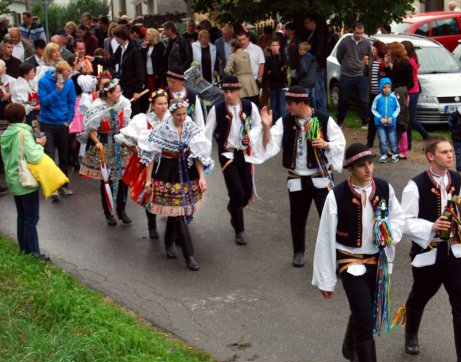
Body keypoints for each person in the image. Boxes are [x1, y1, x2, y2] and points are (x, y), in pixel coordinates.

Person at [312, 143, 404, 362]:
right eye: (362, 165)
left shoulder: (384, 188)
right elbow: (325, 238)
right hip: (350, 261)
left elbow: (398, 218)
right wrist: (326, 279)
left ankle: (348, 347)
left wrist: (390, 233)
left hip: (377, 260)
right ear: (350, 168)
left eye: (370, 163)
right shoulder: (337, 194)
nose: (368, 168)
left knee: (366, 308)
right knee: (364, 316)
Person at [400, 135, 461, 362]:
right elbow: (404, 222)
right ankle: (411, 334)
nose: (451, 155)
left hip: (455, 250)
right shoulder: (415, 185)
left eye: (451, 151)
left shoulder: (456, 179)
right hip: (428, 252)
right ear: (431, 156)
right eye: (445, 152)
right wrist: (430, 226)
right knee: (420, 295)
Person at [259, 85, 346, 267]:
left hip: (320, 177)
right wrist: (266, 126)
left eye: (290, 103)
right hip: (297, 178)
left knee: (329, 219)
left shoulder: (323, 119)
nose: (287, 107)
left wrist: (325, 145)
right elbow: (269, 144)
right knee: (297, 218)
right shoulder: (285, 121)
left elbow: (340, 143)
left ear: (301, 103)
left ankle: (335, 257)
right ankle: (298, 252)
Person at [140, 100, 212, 270]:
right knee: (178, 212)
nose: (181, 118)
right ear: (171, 114)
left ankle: (168, 242)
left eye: (184, 114)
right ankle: (189, 255)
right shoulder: (162, 129)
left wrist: (202, 177)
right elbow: (151, 155)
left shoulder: (190, 127)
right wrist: (148, 180)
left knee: (178, 210)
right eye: (178, 115)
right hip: (168, 172)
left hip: (186, 172)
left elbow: (197, 154)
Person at [204, 75, 262, 245]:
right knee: (236, 191)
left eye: (232, 91)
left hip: (245, 154)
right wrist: (203, 159)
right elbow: (207, 135)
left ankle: (233, 208)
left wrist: (250, 136)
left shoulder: (250, 106)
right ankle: (240, 231)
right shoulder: (217, 109)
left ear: (239, 91)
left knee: (246, 193)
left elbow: (258, 125)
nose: (228, 95)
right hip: (227, 155)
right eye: (226, 91)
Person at [117, 89, 171, 239]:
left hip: (167, 162)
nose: (164, 107)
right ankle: (152, 224)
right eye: (160, 104)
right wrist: (140, 152)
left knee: (168, 191)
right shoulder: (142, 120)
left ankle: (172, 223)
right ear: (152, 105)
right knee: (150, 192)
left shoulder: (171, 119)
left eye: (166, 103)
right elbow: (125, 141)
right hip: (148, 162)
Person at [79, 79, 132, 225]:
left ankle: (122, 211)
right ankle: (109, 213)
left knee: (123, 179)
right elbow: (91, 130)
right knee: (106, 180)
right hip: (104, 144)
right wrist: (97, 143)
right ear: (109, 93)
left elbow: (127, 124)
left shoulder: (123, 103)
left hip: (120, 145)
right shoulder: (97, 107)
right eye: (117, 92)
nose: (120, 94)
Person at [0, 103, 49, 260]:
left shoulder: (6, 134)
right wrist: (40, 145)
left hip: (13, 178)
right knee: (31, 218)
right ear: (23, 117)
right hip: (25, 180)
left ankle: (24, 249)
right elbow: (34, 156)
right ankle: (33, 252)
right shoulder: (24, 133)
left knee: (22, 216)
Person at [38, 61, 76, 201]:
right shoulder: (43, 82)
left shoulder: (69, 82)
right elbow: (43, 102)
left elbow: (71, 101)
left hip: (62, 123)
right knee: (49, 156)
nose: (67, 79)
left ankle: (63, 185)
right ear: (58, 73)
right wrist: (56, 91)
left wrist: (69, 120)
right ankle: (52, 187)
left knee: (64, 156)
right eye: (65, 76)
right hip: (47, 123)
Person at [96, 25, 145, 115]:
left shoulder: (134, 50)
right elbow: (111, 61)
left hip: (132, 85)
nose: (115, 39)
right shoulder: (120, 48)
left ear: (122, 36)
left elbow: (140, 71)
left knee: (133, 111)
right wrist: (95, 60)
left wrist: (138, 90)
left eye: (116, 37)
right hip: (124, 83)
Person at [336, 22, 371, 128]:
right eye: (357, 32)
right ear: (353, 31)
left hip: (361, 74)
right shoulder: (345, 41)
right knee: (344, 98)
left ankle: (365, 121)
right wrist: (347, 66)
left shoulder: (366, 43)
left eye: (361, 33)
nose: (359, 35)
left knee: (363, 99)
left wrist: (363, 64)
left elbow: (368, 57)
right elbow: (339, 56)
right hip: (347, 74)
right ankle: (340, 121)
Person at [384, 42, 412, 157]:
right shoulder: (396, 63)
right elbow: (392, 79)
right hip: (394, 94)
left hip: (402, 96)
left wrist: (400, 90)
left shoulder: (406, 64)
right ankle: (396, 147)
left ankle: (403, 150)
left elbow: (410, 83)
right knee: (395, 121)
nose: (388, 53)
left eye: (390, 51)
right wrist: (387, 66)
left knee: (402, 121)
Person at [402, 40, 429, 150]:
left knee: (411, 119)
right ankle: (408, 143)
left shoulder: (411, 61)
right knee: (407, 119)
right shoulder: (409, 60)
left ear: (407, 50)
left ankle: (426, 136)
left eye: (403, 48)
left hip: (412, 92)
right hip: (410, 91)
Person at [304, 14, 329, 111]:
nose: (306, 25)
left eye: (307, 23)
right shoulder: (311, 33)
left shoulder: (319, 34)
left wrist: (311, 58)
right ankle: (318, 109)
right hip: (314, 64)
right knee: (315, 88)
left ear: (313, 22)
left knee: (319, 89)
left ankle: (322, 110)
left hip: (317, 64)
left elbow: (319, 51)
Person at [372, 77, 400, 163]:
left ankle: (394, 154)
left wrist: (393, 117)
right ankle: (383, 155)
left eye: (388, 87)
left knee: (392, 139)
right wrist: (380, 118)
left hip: (391, 123)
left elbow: (398, 108)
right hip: (380, 124)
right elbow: (373, 109)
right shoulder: (377, 98)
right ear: (381, 88)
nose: (387, 89)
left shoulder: (393, 97)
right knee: (383, 140)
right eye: (384, 87)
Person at [366, 40, 387, 148]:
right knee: (372, 118)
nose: (372, 51)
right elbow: (365, 74)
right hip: (372, 94)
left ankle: (384, 142)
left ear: (379, 50)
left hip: (381, 95)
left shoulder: (384, 62)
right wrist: (365, 65)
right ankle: (370, 141)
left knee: (382, 118)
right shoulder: (372, 61)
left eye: (374, 49)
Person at [236, 31, 265, 105]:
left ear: (248, 38)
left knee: (254, 104)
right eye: (240, 40)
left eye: (243, 39)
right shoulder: (237, 50)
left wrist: (259, 80)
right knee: (242, 104)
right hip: (241, 81)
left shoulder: (257, 49)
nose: (242, 42)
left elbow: (261, 64)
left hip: (254, 81)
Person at [11, 63, 40, 129]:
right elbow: (21, 104)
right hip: (25, 114)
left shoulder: (30, 82)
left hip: (32, 111)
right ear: (25, 74)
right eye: (32, 72)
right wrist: (35, 107)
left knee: (35, 130)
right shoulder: (19, 86)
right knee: (32, 131)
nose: (34, 74)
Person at [265, 38, 287, 122]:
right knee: (274, 108)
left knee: (282, 108)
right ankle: (276, 125)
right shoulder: (269, 59)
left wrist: (273, 72)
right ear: (270, 47)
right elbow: (266, 74)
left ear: (279, 47)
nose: (274, 47)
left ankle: (284, 124)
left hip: (282, 86)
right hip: (272, 86)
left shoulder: (283, 58)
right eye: (272, 45)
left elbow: (283, 72)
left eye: (276, 45)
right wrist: (277, 71)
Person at [141, 28, 165, 92]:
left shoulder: (159, 45)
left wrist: (159, 73)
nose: (147, 36)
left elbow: (162, 61)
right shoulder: (148, 45)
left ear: (154, 36)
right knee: (151, 89)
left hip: (156, 72)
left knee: (158, 89)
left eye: (149, 35)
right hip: (148, 71)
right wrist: (143, 48)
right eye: (147, 34)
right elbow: (143, 58)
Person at [296, 42, 318, 108]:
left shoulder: (303, 59)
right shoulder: (312, 58)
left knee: (305, 99)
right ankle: (314, 113)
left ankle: (306, 113)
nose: (299, 50)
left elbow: (304, 70)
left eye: (301, 49)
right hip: (313, 81)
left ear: (306, 50)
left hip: (305, 82)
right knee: (313, 98)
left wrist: (297, 75)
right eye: (299, 49)